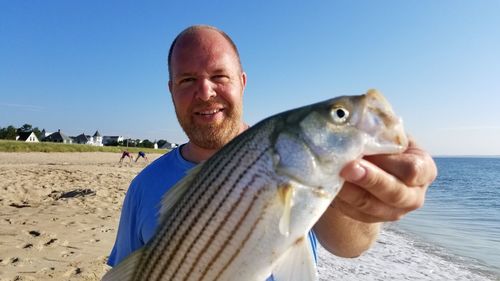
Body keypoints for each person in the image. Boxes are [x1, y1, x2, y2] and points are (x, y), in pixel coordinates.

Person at [107, 25, 437, 278]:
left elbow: (351, 246)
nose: (205, 92)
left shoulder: (303, 172)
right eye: (187, 80)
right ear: (171, 90)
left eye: (219, 76)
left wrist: (365, 187)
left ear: (242, 81)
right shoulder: (142, 187)